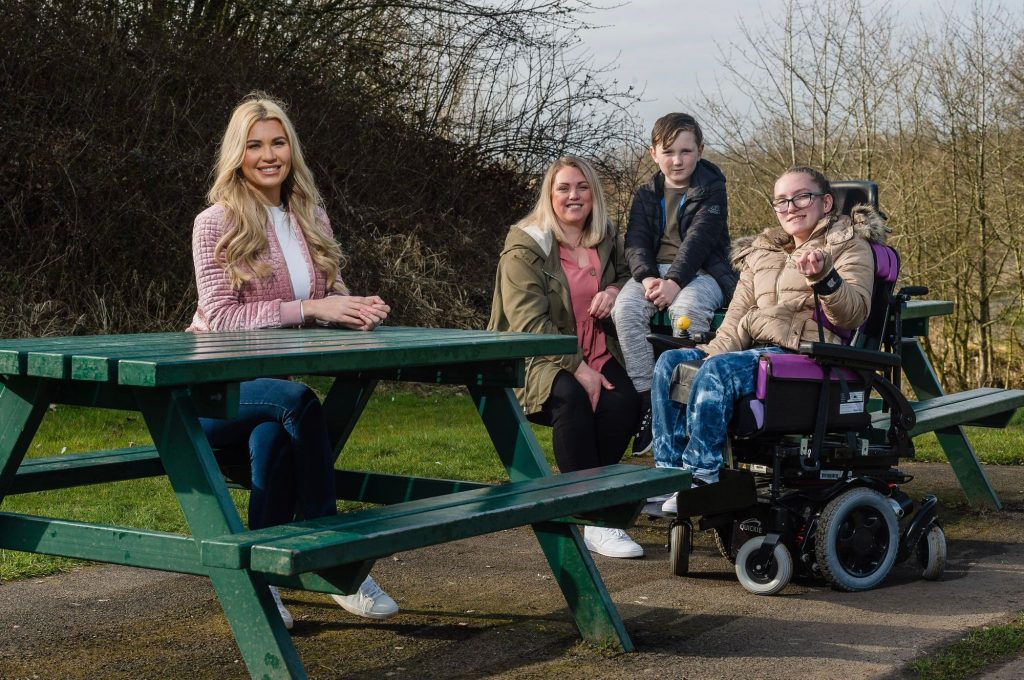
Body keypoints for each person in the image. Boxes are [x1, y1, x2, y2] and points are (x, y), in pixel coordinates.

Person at [188, 93, 398, 628]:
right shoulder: (214, 222)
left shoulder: (310, 215)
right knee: (298, 403)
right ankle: (333, 553)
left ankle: (264, 580)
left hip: (268, 395)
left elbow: (329, 292)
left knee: (275, 439)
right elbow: (222, 317)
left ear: (291, 150)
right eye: (254, 145)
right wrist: (310, 309)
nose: (268, 155)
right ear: (237, 154)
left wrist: (354, 308)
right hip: (212, 391)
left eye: (277, 143)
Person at [651, 166, 887, 513]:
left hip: (810, 355)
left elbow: (853, 315)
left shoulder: (848, 244)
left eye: (801, 197)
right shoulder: (763, 253)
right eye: (781, 201)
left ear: (825, 202)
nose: (790, 207)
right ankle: (668, 477)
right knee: (670, 363)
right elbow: (737, 316)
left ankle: (703, 478)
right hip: (757, 352)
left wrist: (825, 277)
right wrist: (710, 352)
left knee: (718, 371)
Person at [487, 156, 644, 559]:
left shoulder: (604, 236)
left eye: (582, 187)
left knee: (624, 402)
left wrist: (613, 291)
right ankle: (594, 517)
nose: (574, 196)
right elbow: (528, 322)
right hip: (534, 357)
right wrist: (579, 369)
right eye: (564, 188)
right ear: (550, 195)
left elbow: (626, 274)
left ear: (594, 194)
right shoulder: (525, 247)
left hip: (596, 350)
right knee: (573, 398)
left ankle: (591, 502)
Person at [611, 113, 737, 457]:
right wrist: (648, 277)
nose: (677, 160)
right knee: (625, 308)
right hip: (654, 272)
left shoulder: (712, 189)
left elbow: (699, 241)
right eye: (668, 152)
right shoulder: (645, 194)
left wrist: (674, 281)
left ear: (700, 151)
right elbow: (636, 241)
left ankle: (685, 403)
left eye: (685, 151)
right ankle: (648, 400)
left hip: (703, 271)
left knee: (686, 311)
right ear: (654, 154)